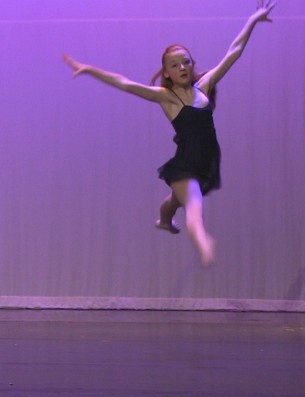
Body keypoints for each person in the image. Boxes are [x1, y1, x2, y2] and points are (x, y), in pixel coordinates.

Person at [63, 1, 275, 266]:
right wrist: (90, 70)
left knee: (175, 201)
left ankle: (164, 221)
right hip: (186, 165)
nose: (182, 68)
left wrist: (253, 20)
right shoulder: (167, 97)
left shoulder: (204, 86)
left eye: (186, 62)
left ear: (192, 64)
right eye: (175, 65)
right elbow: (126, 84)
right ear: (167, 72)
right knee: (194, 211)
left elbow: (234, 52)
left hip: (206, 162)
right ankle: (204, 245)